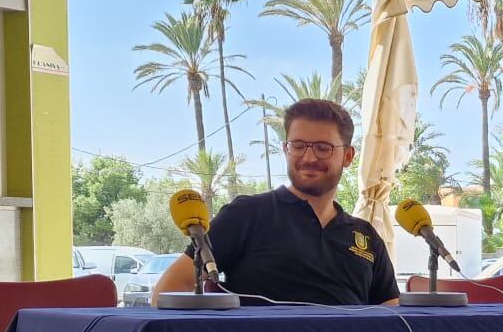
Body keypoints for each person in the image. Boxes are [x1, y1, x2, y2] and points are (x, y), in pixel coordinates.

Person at [152, 98, 400, 308]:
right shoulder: (247, 214)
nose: (309, 157)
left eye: (323, 148)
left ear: (347, 156)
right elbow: (171, 288)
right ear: (285, 149)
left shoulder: (366, 236)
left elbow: (394, 316)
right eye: (298, 146)